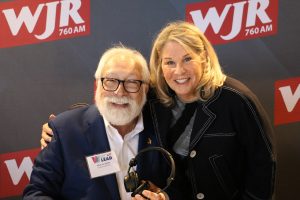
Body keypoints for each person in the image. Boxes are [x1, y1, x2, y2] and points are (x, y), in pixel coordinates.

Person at [40, 21, 276, 200]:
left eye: (187, 59)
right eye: (169, 62)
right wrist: (63, 125)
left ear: (204, 57)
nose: (179, 71)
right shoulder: (155, 98)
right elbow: (116, 100)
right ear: (160, 65)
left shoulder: (236, 100)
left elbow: (263, 165)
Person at [23, 46, 170, 200]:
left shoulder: (160, 127)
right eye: (111, 81)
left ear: (145, 88)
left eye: (131, 82)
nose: (120, 92)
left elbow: (182, 185)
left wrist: (164, 197)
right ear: (97, 85)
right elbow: (36, 194)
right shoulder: (65, 130)